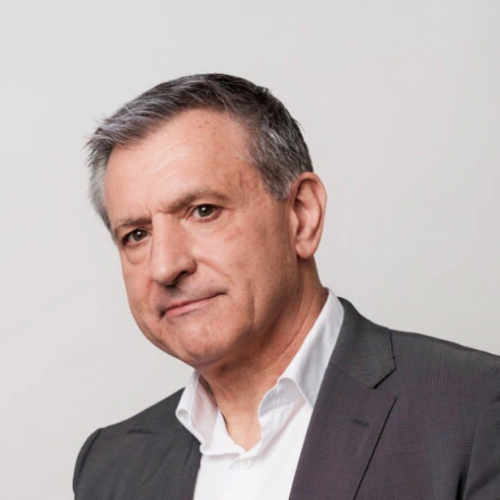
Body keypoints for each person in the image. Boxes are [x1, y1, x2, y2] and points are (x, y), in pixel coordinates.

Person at [74, 74, 500, 500]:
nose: (165, 266)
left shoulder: (475, 409)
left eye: (203, 211)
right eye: (136, 235)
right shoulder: (109, 468)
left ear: (301, 215)